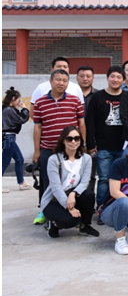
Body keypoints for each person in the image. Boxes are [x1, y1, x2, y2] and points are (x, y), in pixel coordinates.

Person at [32, 70, 86, 225]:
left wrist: (83, 144)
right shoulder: (40, 102)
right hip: (48, 149)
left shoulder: (75, 100)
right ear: (50, 81)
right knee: (47, 182)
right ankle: (45, 210)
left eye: (65, 80)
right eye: (58, 80)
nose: (61, 83)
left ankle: (70, 209)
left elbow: (81, 124)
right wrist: (37, 150)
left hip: (70, 150)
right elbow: (37, 127)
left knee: (71, 181)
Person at [41, 126, 99, 238]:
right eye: (69, 139)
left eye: (77, 138)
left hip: (73, 195)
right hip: (54, 199)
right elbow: (56, 187)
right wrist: (70, 208)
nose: (73, 142)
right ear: (63, 141)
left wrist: (73, 194)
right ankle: (54, 224)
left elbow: (85, 182)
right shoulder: (54, 159)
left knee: (89, 195)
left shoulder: (86, 158)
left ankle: (85, 226)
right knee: (71, 221)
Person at [86, 66, 126, 212]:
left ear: (123, 80)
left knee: (121, 179)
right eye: (112, 76)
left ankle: (117, 207)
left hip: (123, 146)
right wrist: (91, 144)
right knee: (103, 179)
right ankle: (102, 208)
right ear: (107, 78)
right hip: (103, 146)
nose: (115, 79)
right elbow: (90, 121)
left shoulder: (127, 97)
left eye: (119, 77)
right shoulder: (98, 97)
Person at [2, 87, 30, 193]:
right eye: (18, 100)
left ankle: (22, 183)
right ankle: (21, 182)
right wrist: (24, 109)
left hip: (9, 138)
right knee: (5, 162)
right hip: (8, 138)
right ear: (13, 99)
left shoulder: (7, 109)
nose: (19, 102)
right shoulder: (9, 110)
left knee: (19, 159)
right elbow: (21, 119)